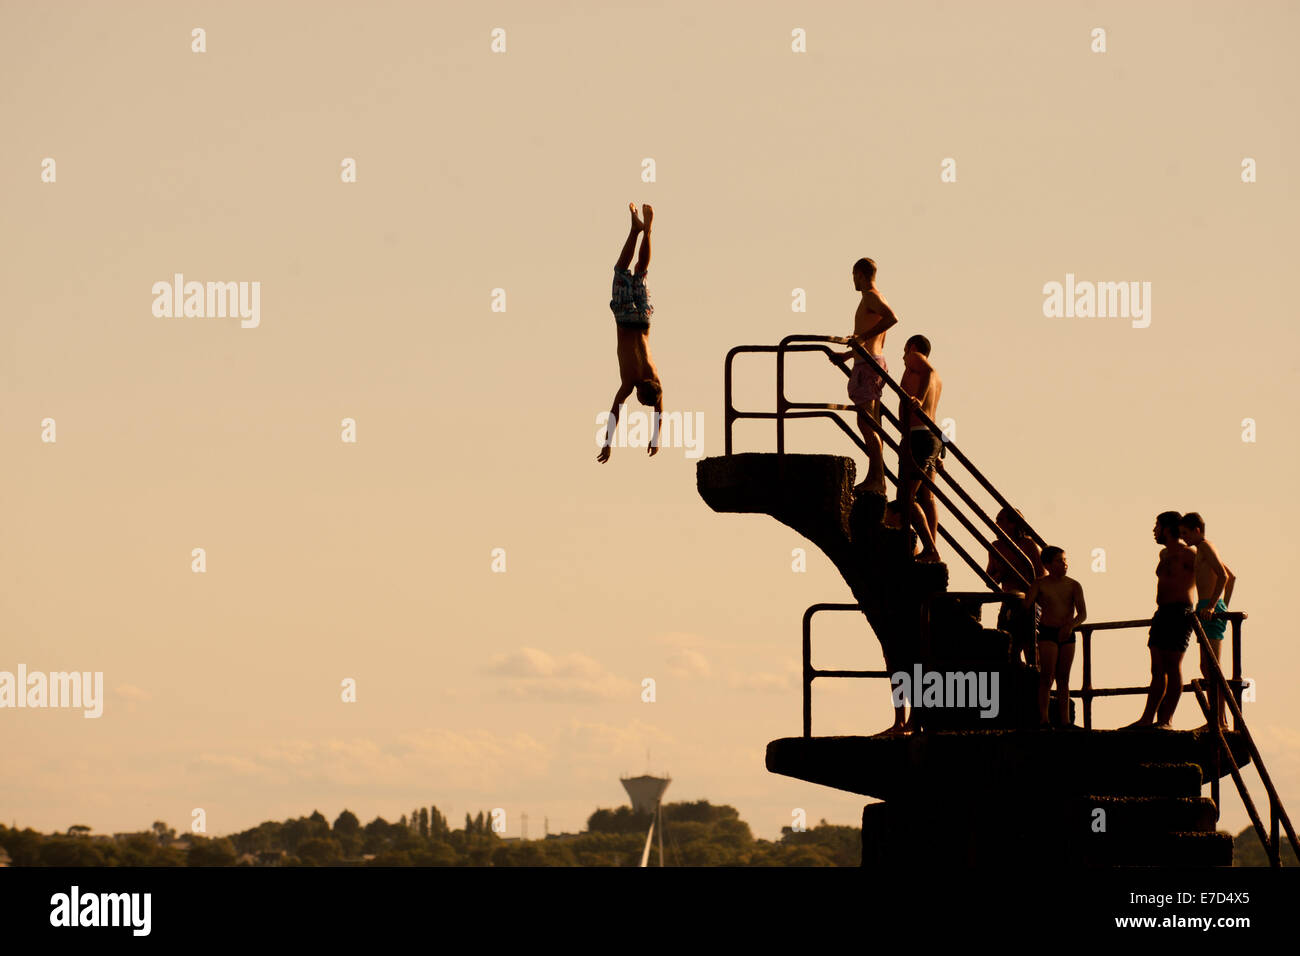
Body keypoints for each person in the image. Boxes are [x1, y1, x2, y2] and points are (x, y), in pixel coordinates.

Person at [827, 258, 899, 495]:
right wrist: (848, 356)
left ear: (860, 273)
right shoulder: (874, 297)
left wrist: (860, 339)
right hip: (869, 363)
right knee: (871, 423)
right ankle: (875, 477)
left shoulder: (871, 296)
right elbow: (871, 340)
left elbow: (891, 318)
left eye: (853, 275)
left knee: (866, 422)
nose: (853, 280)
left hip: (869, 365)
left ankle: (878, 479)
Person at [598, 203, 662, 463]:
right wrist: (607, 443)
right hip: (625, 320)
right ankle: (635, 231)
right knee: (620, 272)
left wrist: (657, 437)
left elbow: (660, 412)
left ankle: (646, 233)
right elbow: (616, 410)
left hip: (644, 321)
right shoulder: (630, 381)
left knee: (640, 272)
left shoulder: (654, 377)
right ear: (639, 391)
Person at [1125, 512, 1197, 730]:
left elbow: (1219, 574)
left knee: (1172, 666)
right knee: (1157, 667)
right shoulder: (1163, 553)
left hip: (1180, 613)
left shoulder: (1189, 553)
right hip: (1162, 613)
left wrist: (1210, 605)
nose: (1154, 531)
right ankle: (1148, 718)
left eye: (1156, 526)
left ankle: (1166, 720)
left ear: (1166, 528)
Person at [1178, 512, 1236, 728]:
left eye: (1186, 533)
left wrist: (1215, 606)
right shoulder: (1204, 549)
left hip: (1208, 608)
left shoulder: (1204, 546)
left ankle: (1219, 722)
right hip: (1205, 608)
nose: (1184, 538)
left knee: (1212, 668)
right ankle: (1218, 719)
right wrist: (1222, 606)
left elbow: (1223, 575)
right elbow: (1232, 577)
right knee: (1206, 666)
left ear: (1197, 530)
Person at [1023, 547, 1087, 727]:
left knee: (1064, 678)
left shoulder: (1073, 585)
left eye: (1065, 560)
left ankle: (1065, 720)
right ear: (1048, 565)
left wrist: (1070, 626)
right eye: (1059, 560)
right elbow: (1027, 605)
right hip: (1048, 633)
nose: (1064, 564)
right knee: (1046, 677)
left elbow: (1082, 614)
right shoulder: (1040, 584)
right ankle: (1044, 718)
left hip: (1067, 634)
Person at [895, 335, 943, 563]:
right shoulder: (938, 379)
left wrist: (918, 399)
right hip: (931, 436)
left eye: (904, 351)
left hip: (918, 437)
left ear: (912, 347)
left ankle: (931, 549)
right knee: (927, 497)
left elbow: (928, 372)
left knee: (905, 496)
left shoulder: (916, 359)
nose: (904, 357)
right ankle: (931, 550)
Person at [988, 507, 1044, 667]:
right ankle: (1017, 685)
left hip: (1030, 602)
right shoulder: (995, 547)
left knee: (1031, 646)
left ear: (1013, 523)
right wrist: (1002, 573)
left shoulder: (1029, 545)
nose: (996, 523)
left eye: (1000, 519)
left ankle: (1036, 684)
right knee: (1008, 647)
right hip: (1008, 602)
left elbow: (1042, 577)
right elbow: (989, 578)